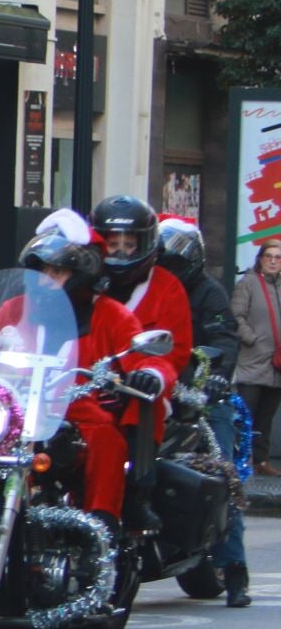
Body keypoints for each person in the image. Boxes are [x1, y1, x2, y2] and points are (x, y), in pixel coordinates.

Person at [0, 210, 170, 534]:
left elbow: (145, 357)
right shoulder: (16, 307)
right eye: (42, 271)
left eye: (58, 272)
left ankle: (101, 525)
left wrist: (150, 373)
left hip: (77, 412)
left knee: (107, 439)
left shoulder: (109, 314)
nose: (47, 280)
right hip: (13, 409)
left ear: (81, 274)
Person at [157, 215, 253, 607]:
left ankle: (234, 573)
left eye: (174, 259)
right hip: (152, 392)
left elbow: (223, 337)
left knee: (221, 470)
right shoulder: (149, 292)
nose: (168, 268)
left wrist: (212, 378)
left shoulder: (208, 293)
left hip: (198, 398)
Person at [92, 194, 193, 530]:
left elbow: (175, 349)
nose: (120, 251)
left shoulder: (168, 287)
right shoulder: (87, 284)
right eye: (112, 243)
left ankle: (138, 492)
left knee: (143, 402)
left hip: (139, 384)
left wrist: (151, 374)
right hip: (85, 383)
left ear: (146, 244)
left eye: (129, 243)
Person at [230, 238, 281, 477]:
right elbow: (236, 316)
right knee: (246, 413)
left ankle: (261, 460)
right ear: (260, 259)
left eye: (278, 257)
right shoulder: (248, 283)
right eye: (268, 256)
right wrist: (252, 339)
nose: (273, 261)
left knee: (266, 415)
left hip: (276, 364)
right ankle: (242, 458)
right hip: (253, 361)